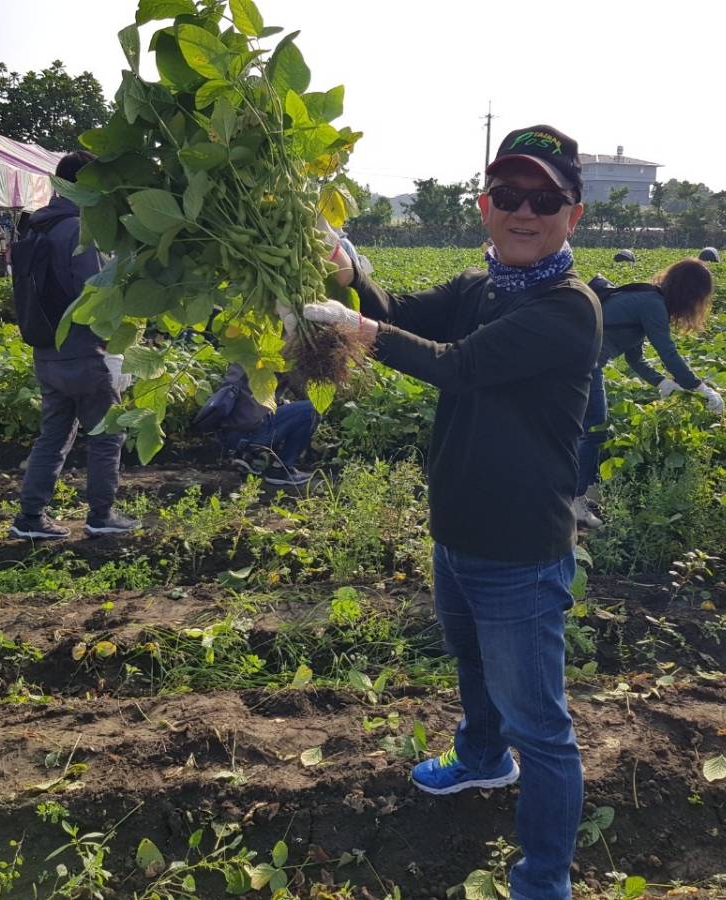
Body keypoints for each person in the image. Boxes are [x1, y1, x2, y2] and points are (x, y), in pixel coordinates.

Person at [285, 124, 600, 900]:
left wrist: (357, 327)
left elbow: (456, 367)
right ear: (484, 206)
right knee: (471, 665)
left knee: (544, 728)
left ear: (574, 215)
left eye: (544, 199)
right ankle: (482, 759)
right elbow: (403, 312)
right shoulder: (480, 284)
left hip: (521, 549)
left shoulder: (571, 309)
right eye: (508, 196)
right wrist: (350, 266)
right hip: (457, 531)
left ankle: (543, 881)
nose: (524, 212)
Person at [9, 150, 137, 540]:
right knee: (106, 433)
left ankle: (30, 517)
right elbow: (97, 296)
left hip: (47, 352)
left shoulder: (36, 228)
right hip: (84, 351)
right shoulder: (79, 231)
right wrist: (117, 345)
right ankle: (102, 514)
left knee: (54, 435)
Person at [574, 261, 724, 528]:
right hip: (581, 360)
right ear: (689, 293)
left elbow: (636, 358)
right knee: (595, 429)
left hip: (578, 357)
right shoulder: (651, 303)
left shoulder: (648, 298)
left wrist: (661, 383)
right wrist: (698, 387)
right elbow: (668, 352)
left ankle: (583, 489)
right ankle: (576, 500)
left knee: (586, 428)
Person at [192, 363, 318, 486]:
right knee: (311, 409)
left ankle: (247, 455)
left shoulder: (242, 356)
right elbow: (303, 391)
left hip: (227, 437)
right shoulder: (277, 362)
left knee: (279, 407)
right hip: (250, 434)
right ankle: (280, 470)